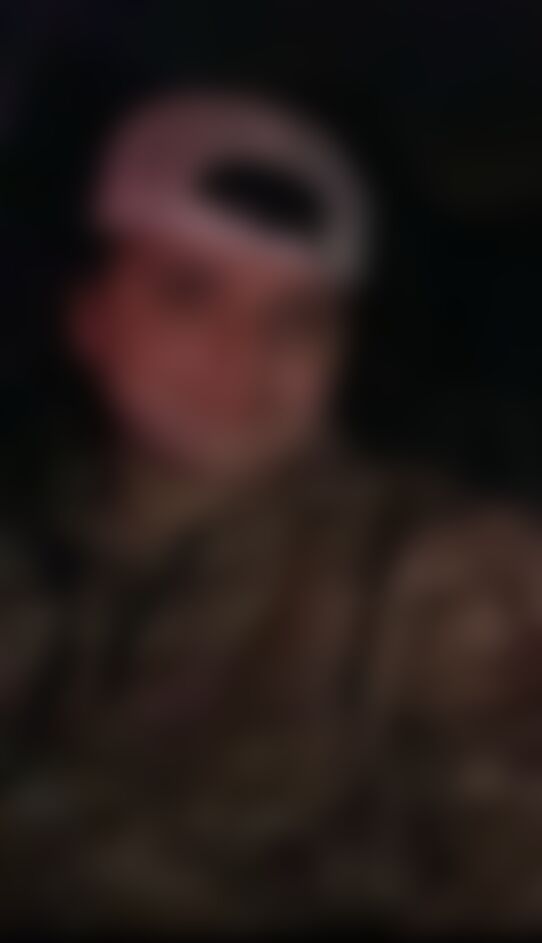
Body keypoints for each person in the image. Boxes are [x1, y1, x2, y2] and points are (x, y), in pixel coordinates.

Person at [1, 88, 541, 932]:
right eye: (189, 292)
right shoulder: (30, 550)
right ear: (91, 319)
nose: (246, 351)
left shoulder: (436, 570)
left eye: (300, 317)